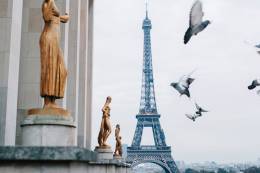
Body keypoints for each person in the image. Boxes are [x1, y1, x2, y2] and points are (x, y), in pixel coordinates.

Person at [39, 0, 69, 108]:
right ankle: (47, 102)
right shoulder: (47, 3)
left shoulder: (52, 4)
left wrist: (65, 17)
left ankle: (53, 99)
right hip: (48, 39)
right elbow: (46, 17)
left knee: (62, 70)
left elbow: (59, 18)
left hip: (55, 42)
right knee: (49, 69)